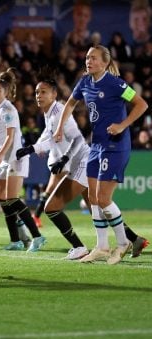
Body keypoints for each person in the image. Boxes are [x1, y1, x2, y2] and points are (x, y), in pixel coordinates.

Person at [18, 69, 149, 259]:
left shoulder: (60, 112)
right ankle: (132, 239)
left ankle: (80, 247)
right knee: (97, 207)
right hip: (79, 161)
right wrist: (31, 149)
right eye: (37, 92)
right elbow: (48, 138)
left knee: (52, 207)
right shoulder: (50, 114)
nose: (39, 95)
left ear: (54, 94)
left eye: (43, 91)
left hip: (83, 161)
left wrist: (63, 158)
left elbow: (78, 140)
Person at [54, 45, 149, 264]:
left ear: (105, 63)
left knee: (104, 198)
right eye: (87, 57)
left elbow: (141, 104)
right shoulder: (85, 82)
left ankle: (123, 243)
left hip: (115, 146)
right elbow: (70, 103)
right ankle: (102, 246)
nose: (89, 61)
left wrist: (122, 125)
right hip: (96, 145)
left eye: (94, 58)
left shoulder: (116, 84)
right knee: (93, 198)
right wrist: (60, 127)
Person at [0, 68, 46, 251]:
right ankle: (16, 241)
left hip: (15, 157)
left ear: (6, 92)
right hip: (3, 158)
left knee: (12, 199)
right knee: (4, 200)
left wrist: (0, 153)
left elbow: (10, 136)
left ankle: (37, 236)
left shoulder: (8, 109)